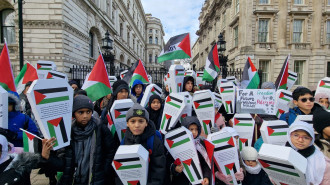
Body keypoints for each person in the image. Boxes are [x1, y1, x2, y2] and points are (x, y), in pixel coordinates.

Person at [40, 95, 116, 185]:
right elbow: (64, 164)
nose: (85, 116)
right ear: (74, 114)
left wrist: (103, 170)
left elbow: (111, 151)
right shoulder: (67, 132)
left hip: (95, 179)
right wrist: (47, 157)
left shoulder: (100, 128)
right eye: (81, 112)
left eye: (88, 112)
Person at [121, 103, 165, 185]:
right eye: (133, 121)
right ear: (127, 123)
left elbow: (158, 169)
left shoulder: (153, 141)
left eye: (141, 121)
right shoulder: (124, 142)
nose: (137, 125)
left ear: (146, 123)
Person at [170, 116, 211, 185]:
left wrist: (206, 176)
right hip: (182, 181)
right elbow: (170, 162)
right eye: (191, 129)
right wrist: (175, 168)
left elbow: (205, 163)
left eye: (196, 129)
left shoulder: (200, 144)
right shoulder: (177, 144)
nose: (194, 132)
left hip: (199, 181)